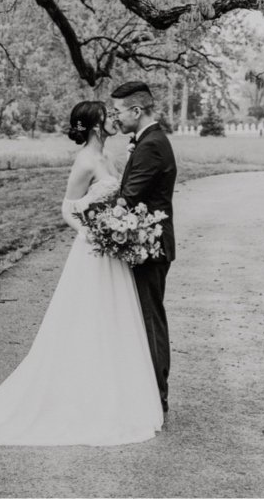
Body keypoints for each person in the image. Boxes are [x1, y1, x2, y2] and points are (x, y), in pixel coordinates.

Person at [0, 100, 164, 445]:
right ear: (95, 125)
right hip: (92, 251)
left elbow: (114, 200)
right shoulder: (85, 161)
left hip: (111, 253)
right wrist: (92, 231)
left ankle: (112, 392)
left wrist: (120, 226)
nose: (114, 120)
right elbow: (68, 209)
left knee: (114, 319)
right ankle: (77, 396)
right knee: (87, 319)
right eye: (108, 116)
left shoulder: (110, 159)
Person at [110, 80, 176, 415]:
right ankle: (147, 392)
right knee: (144, 317)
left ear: (137, 111)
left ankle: (156, 398)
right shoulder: (149, 140)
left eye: (119, 111)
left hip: (150, 247)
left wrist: (98, 217)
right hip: (146, 244)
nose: (115, 117)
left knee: (150, 319)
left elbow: (129, 198)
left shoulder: (151, 145)